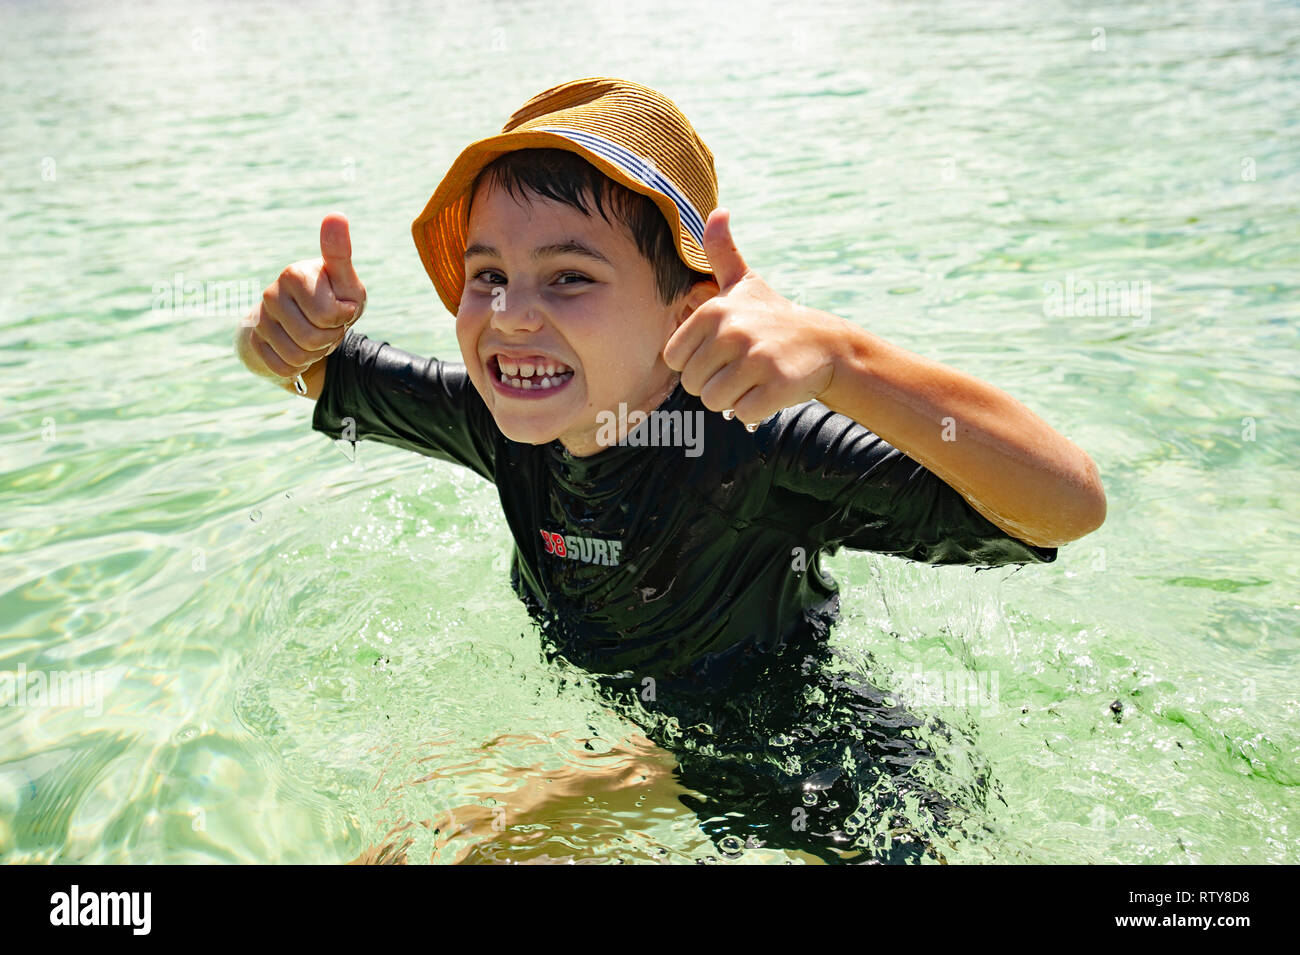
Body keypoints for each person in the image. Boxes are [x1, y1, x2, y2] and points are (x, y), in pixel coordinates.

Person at [235, 77, 1106, 864]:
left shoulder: (748, 446)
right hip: (640, 748)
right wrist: (280, 335)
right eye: (488, 274)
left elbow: (1067, 503)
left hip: (824, 785)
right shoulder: (504, 421)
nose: (511, 315)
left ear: (687, 314)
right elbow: (308, 371)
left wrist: (843, 362)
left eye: (569, 276)